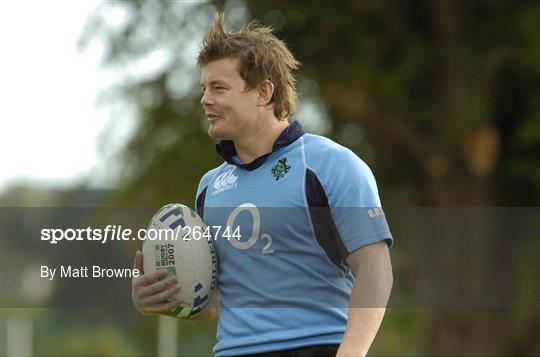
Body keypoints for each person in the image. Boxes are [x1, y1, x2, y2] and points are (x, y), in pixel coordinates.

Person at [132, 13, 393, 357]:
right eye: (204, 88)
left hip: (315, 347)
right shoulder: (209, 187)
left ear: (264, 92)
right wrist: (163, 300)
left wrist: (352, 353)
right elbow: (218, 300)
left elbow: (376, 268)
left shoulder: (330, 165)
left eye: (219, 88)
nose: (204, 100)